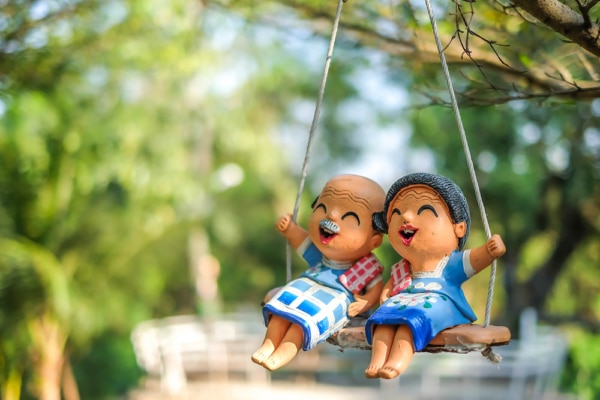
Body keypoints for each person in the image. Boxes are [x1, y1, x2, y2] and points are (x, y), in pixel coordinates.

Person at [364, 172, 506, 379]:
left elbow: (477, 258)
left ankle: (396, 363)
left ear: (459, 228)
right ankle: (377, 361)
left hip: (437, 303)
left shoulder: (450, 265)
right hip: (402, 302)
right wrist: (385, 296)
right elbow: (391, 285)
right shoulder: (403, 268)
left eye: (424, 211)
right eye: (397, 212)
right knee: (381, 322)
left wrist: (490, 250)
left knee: (408, 324)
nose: (406, 217)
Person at [252, 174, 386, 371]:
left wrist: (366, 302)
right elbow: (302, 241)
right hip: (305, 285)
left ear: (374, 241)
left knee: (301, 322)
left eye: (349, 218)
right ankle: (268, 345)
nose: (330, 216)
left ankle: (282, 354)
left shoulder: (366, 267)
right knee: (281, 310)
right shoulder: (321, 258)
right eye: (322, 208)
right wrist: (290, 229)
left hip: (337, 296)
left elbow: (376, 287)